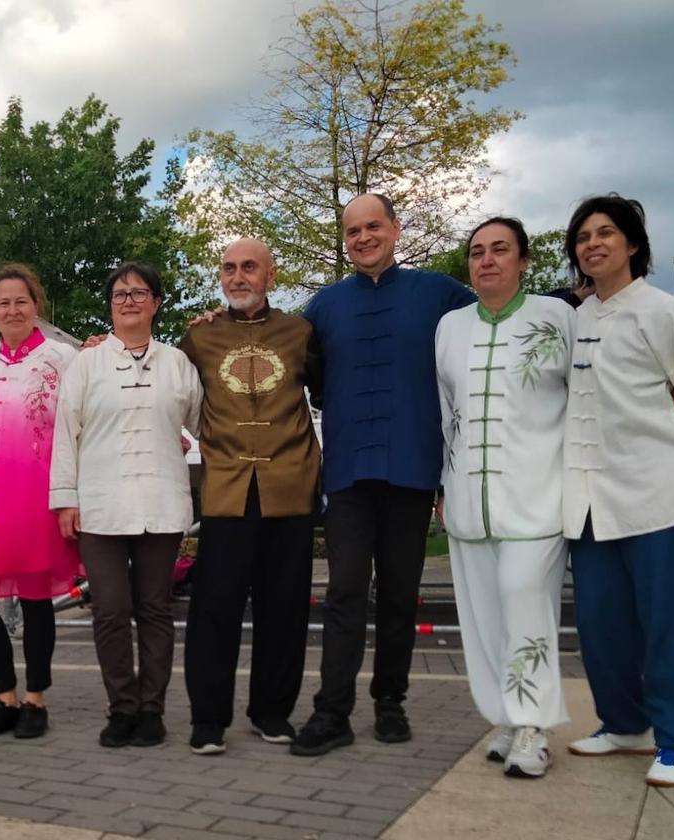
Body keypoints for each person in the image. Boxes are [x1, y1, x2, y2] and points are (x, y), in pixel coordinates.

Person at [291, 193, 476, 756]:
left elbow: (498, 316)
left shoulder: (440, 294)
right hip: (347, 472)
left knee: (400, 594)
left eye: (374, 227)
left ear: (396, 229)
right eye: (353, 231)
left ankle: (391, 701)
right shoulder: (322, 307)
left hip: (413, 468)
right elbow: (280, 357)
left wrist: (578, 302)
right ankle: (333, 712)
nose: (363, 238)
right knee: (344, 592)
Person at [562, 194, 674, 787]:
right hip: (588, 501)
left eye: (607, 233)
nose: (593, 244)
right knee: (603, 625)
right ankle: (624, 724)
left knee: (671, 625)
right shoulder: (574, 318)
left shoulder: (665, 313)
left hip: (661, 494)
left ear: (633, 244)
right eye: (583, 236)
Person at [435, 218, 575, 778]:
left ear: (523, 260)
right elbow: (446, 414)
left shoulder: (556, 317)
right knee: (484, 617)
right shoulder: (449, 326)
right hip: (468, 497)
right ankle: (504, 717)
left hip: (538, 495)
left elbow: (585, 397)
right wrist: (443, 486)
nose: (486, 260)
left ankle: (534, 726)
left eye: (500, 250)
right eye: (476, 252)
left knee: (525, 603)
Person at [51, 262, 203, 748]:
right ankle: (122, 707)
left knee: (155, 608)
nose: (130, 300)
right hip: (99, 506)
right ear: (110, 304)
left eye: (140, 292)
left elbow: (208, 427)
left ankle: (152, 709)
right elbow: (64, 435)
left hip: (160, 502)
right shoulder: (86, 364)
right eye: (120, 293)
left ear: (157, 303)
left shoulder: (178, 364)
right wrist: (65, 500)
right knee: (111, 610)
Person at [180, 239, 320, 756]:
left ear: (270, 274)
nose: (238, 276)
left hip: (290, 488)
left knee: (284, 610)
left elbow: (329, 393)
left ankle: (272, 712)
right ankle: (208, 719)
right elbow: (162, 387)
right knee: (214, 609)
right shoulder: (200, 337)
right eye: (229, 268)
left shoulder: (301, 333)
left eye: (249, 267)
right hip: (226, 491)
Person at [0, 264, 80, 741]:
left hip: (35, 498)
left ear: (37, 306)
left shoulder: (61, 358)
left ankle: (36, 699)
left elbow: (85, 417)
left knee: (33, 601)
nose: (12, 309)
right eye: (3, 302)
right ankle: (3, 695)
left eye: (21, 301)